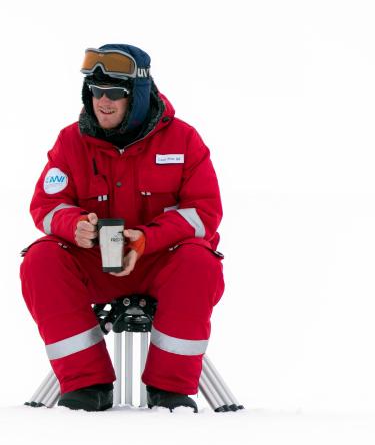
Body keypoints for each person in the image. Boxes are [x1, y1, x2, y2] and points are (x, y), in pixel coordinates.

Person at [20, 44, 224, 412]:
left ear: (139, 95)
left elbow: (204, 213)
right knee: (41, 259)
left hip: (160, 264)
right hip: (94, 265)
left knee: (200, 261)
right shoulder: (70, 141)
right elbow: (47, 204)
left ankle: (169, 389)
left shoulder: (184, 140)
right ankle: (86, 383)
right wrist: (75, 226)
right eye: (96, 92)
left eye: (115, 93)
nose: (104, 102)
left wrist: (149, 238)